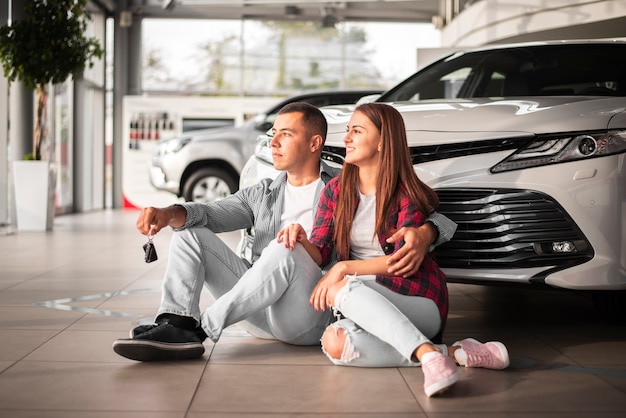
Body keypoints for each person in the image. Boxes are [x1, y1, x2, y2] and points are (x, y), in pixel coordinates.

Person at [112, 101, 457, 362]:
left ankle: (201, 329)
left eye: (285, 134)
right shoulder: (262, 193)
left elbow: (432, 214)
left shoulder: (340, 185)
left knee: (285, 247)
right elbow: (210, 213)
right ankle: (178, 323)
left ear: (314, 143)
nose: (273, 142)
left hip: (306, 311)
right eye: (272, 134)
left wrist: (427, 231)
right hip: (252, 309)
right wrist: (169, 212)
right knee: (189, 231)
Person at [277, 103, 509, 397]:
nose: (346, 138)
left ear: (383, 140)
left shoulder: (406, 194)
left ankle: (428, 356)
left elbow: (401, 263)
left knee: (339, 288)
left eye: (357, 131)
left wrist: (345, 268)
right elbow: (321, 251)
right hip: (364, 298)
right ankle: (450, 353)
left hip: (416, 297)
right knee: (336, 343)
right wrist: (300, 240)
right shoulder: (335, 191)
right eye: (347, 131)